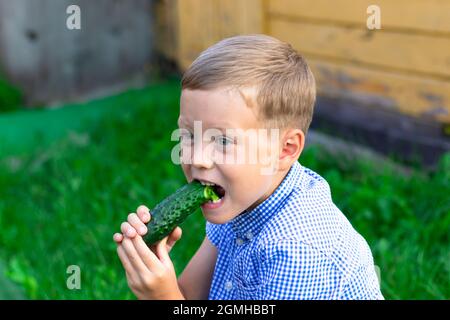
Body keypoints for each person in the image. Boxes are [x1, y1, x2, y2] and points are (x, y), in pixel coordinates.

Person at [113, 34, 384, 300]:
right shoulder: (242, 199)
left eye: (222, 140)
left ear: (284, 149)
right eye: (189, 135)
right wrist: (155, 266)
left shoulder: (299, 251)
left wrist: (162, 297)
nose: (197, 158)